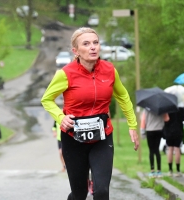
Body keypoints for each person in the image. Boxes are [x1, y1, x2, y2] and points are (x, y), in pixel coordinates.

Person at [41, 27, 139, 200]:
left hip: (101, 138)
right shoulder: (65, 74)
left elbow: (123, 97)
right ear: (76, 51)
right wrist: (61, 117)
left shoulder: (109, 70)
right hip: (73, 140)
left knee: (101, 191)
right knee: (79, 194)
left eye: (95, 42)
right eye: (86, 44)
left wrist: (132, 125)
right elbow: (47, 99)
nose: (93, 47)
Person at [140, 109, 165, 178]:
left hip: (150, 130)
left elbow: (143, 121)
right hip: (159, 130)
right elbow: (166, 119)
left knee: (151, 150)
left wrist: (142, 133)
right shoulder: (160, 108)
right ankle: (159, 170)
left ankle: (152, 170)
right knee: (157, 150)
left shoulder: (146, 109)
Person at [163, 107, 184, 177]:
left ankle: (170, 170)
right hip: (178, 131)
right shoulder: (181, 109)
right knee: (177, 149)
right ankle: (178, 170)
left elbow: (165, 120)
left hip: (169, 131)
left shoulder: (167, 109)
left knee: (170, 149)